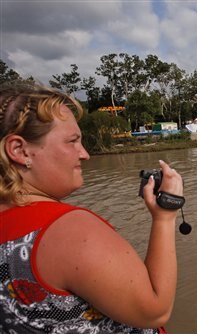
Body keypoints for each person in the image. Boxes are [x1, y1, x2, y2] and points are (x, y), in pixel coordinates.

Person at [0, 81, 182, 333]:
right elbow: (155, 311)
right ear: (19, 150)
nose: (85, 154)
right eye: (72, 141)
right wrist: (165, 217)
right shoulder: (69, 230)